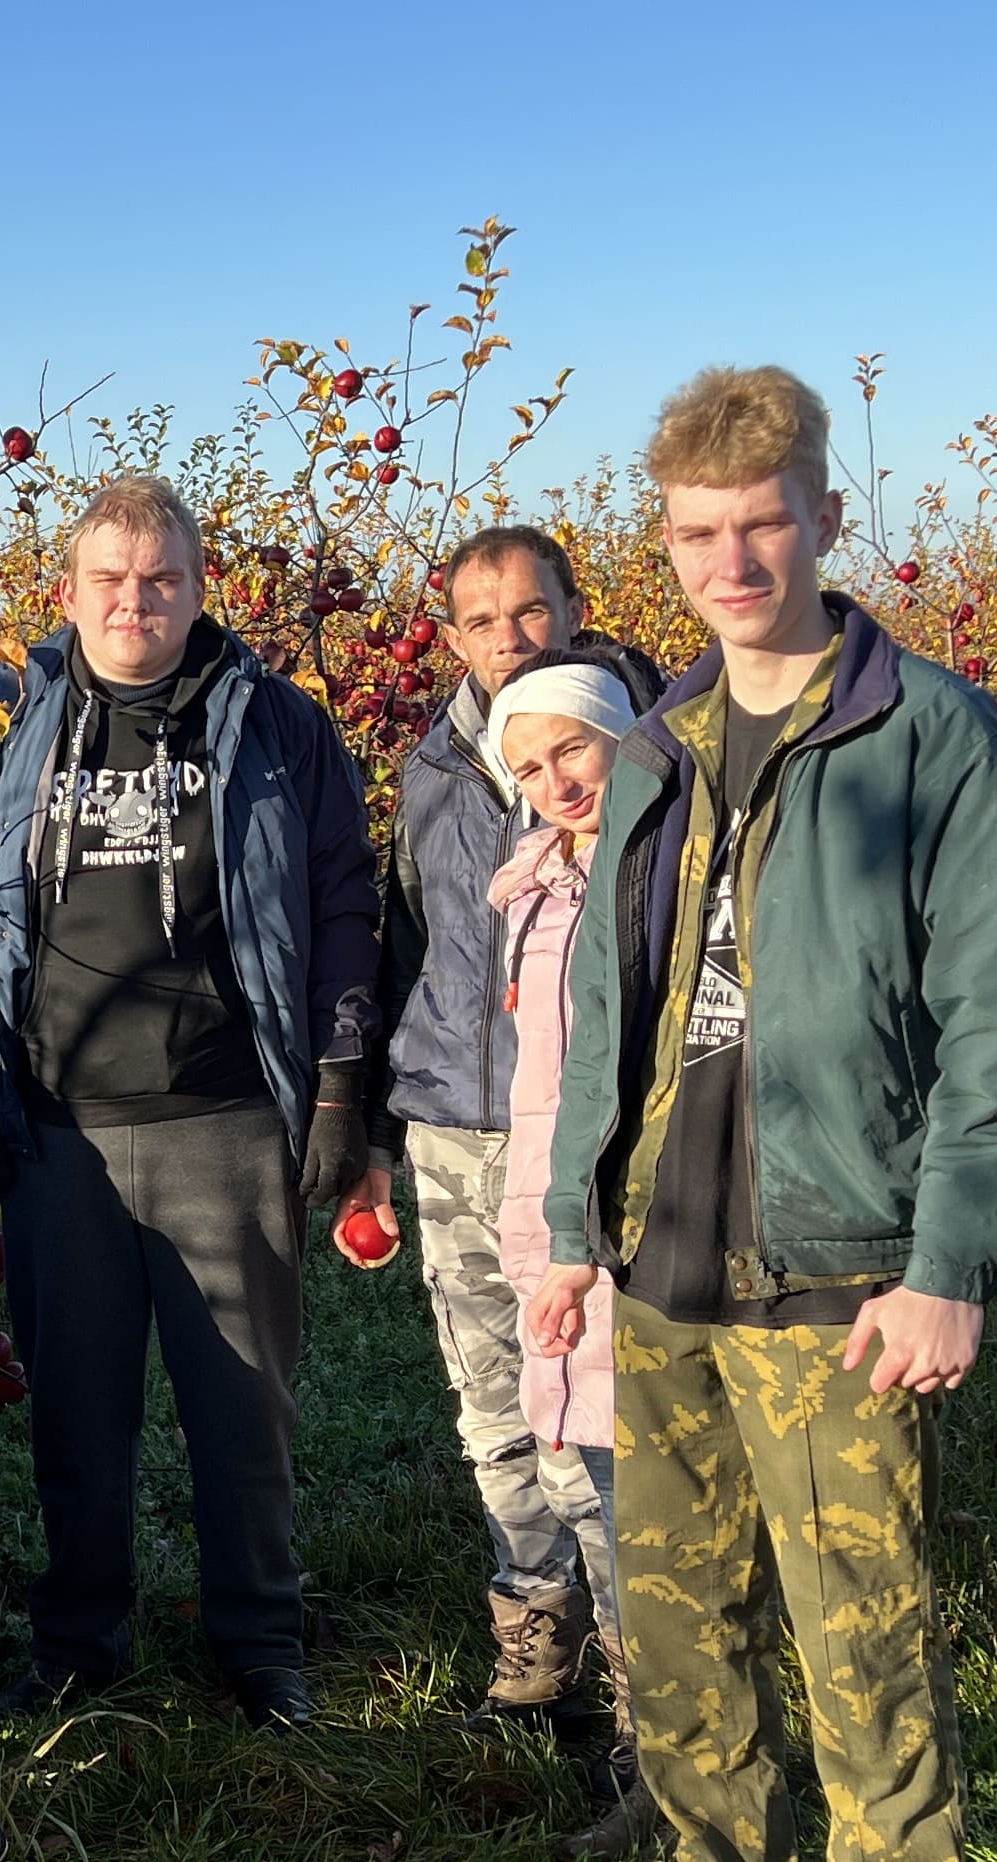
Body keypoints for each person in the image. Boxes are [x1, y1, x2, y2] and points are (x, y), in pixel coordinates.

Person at [528, 367, 997, 1862]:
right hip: (661, 1249)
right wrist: (569, 1223)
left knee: (859, 1627)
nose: (734, 561)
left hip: (839, 1260)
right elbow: (600, 1003)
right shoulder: (662, 741)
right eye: (701, 532)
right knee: (687, 1632)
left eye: (764, 524)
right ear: (670, 543)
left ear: (826, 518)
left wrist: (949, 1260)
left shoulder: (927, 732)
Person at [0, 473, 384, 1731]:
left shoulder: (276, 725)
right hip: (60, 1126)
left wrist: (341, 1080)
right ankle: (81, 1635)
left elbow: (344, 897)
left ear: (196, 590)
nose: (137, 602)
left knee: (242, 1402)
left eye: (162, 581)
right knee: (77, 1408)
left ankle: (260, 1636)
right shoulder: (2, 734)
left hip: (222, 1116)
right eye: (112, 582)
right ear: (68, 594)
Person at [362, 528, 664, 1724]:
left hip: (598, 1136)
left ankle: (651, 1668)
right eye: (482, 622)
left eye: (532, 612)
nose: (509, 639)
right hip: (454, 1124)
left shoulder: (650, 748)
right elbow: (402, 943)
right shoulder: (433, 770)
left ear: (578, 607)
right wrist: (376, 1139)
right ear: (451, 637)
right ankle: (534, 1624)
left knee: (598, 1415)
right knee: (491, 1400)